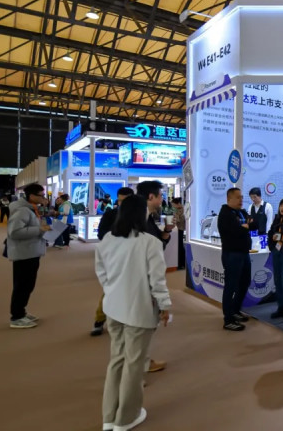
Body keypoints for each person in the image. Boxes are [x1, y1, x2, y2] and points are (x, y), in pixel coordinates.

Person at [95, 194, 171, 431]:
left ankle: (109, 417)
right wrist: (165, 306)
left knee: (116, 360)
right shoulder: (150, 243)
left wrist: (112, 290)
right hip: (139, 310)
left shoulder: (107, 240)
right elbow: (157, 281)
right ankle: (127, 417)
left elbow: (102, 273)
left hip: (113, 308)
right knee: (134, 364)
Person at [136, 181, 172, 372]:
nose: (161, 200)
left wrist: (166, 232)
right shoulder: (137, 219)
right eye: (160, 196)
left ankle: (143, 362)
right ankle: (136, 373)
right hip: (140, 280)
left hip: (142, 279)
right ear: (151, 197)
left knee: (143, 326)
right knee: (139, 327)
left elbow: (158, 242)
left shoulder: (148, 217)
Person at [6, 183, 52, 329]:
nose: (44, 198)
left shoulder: (31, 209)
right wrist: (39, 230)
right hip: (24, 254)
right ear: (31, 196)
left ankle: (21, 312)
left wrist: (42, 227)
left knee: (27, 285)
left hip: (31, 252)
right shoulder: (22, 211)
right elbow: (14, 232)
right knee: (22, 286)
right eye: (41, 195)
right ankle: (16, 317)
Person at [92, 187, 135, 337]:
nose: (123, 204)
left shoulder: (139, 215)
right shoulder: (111, 214)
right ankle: (99, 320)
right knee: (111, 289)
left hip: (134, 258)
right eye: (120, 201)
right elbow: (101, 234)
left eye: (126, 201)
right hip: (115, 257)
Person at [218, 188, 256, 331]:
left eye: (242, 197)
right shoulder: (225, 214)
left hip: (244, 253)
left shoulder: (242, 212)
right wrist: (245, 226)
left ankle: (235, 310)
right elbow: (235, 231)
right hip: (232, 254)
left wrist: (246, 226)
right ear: (229, 199)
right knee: (231, 286)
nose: (241, 200)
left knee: (245, 282)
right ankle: (228, 320)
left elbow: (255, 224)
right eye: (238, 197)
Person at [170, 198, 186, 270]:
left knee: (180, 246)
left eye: (173, 205)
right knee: (179, 246)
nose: (172, 206)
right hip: (178, 229)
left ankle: (181, 264)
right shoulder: (177, 210)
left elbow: (179, 220)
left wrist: (175, 216)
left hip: (180, 229)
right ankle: (180, 263)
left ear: (178, 204)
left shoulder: (182, 210)